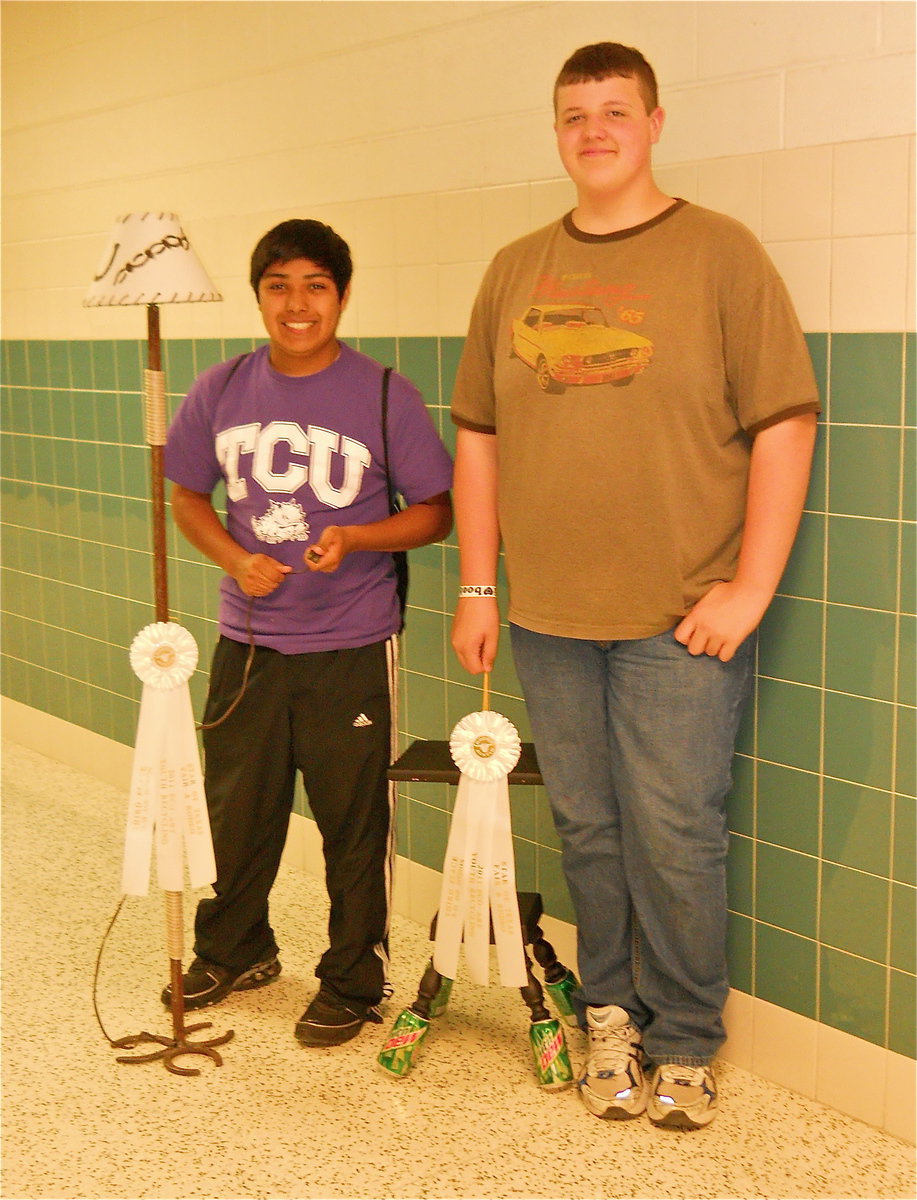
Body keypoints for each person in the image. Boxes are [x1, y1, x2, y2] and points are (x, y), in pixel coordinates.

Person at [450, 43, 818, 1128]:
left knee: (673, 830)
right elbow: (476, 435)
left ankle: (687, 1039)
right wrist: (478, 588)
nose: (593, 129)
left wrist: (749, 585)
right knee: (587, 826)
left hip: (680, 615)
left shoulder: (720, 252)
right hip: (549, 614)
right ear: (555, 131)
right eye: (573, 114)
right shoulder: (513, 267)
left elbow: (784, 422)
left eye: (614, 110)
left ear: (655, 123)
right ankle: (606, 1010)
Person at [163, 219, 453, 1046]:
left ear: (342, 295)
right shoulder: (218, 390)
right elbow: (186, 493)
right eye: (279, 286)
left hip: (350, 644)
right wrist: (232, 555)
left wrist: (359, 538)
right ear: (259, 296)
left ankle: (354, 979)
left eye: (314, 286)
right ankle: (234, 949)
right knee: (237, 808)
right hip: (247, 643)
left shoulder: (384, 393)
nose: (296, 304)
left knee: (351, 821)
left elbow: (436, 512)